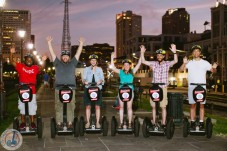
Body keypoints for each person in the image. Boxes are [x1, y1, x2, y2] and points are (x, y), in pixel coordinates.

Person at [46, 36, 85, 129]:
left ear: (69, 57)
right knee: (58, 106)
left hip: (71, 88)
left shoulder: (73, 63)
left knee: (71, 106)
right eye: (63, 56)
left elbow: (78, 54)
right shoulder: (57, 63)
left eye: (67, 56)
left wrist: (81, 44)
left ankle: (70, 122)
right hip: (59, 88)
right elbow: (52, 54)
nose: (65, 57)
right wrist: (49, 43)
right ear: (61, 57)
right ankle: (59, 123)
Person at [179, 45, 217, 130]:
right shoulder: (189, 62)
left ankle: (201, 122)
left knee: (202, 105)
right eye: (194, 51)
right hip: (192, 86)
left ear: (200, 52)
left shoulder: (205, 62)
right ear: (192, 53)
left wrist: (214, 67)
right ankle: (192, 122)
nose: (196, 53)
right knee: (193, 105)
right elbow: (181, 69)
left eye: (197, 51)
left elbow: (212, 70)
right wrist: (184, 63)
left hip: (202, 86)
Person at [140, 44, 178, 130]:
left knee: (163, 106)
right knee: (153, 106)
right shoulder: (153, 64)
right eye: (158, 55)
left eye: (161, 55)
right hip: (154, 87)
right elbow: (143, 61)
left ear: (164, 56)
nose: (159, 56)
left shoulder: (167, 63)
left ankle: (164, 123)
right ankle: (154, 122)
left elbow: (175, 61)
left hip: (163, 87)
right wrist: (142, 53)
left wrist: (174, 52)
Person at [9, 46, 47, 130]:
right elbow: (12, 61)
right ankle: (22, 122)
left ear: (32, 61)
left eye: (30, 60)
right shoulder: (21, 67)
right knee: (22, 107)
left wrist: (43, 60)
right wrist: (11, 53)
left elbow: (42, 67)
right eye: (27, 59)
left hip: (32, 91)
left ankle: (32, 122)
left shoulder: (35, 68)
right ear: (25, 60)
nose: (29, 61)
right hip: (22, 90)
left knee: (32, 106)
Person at [110, 52, 141, 128]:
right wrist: (112, 57)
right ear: (123, 66)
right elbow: (113, 68)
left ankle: (130, 123)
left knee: (129, 107)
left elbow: (139, 64)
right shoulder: (121, 72)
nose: (126, 66)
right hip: (122, 90)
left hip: (130, 91)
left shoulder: (132, 72)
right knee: (121, 107)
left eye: (128, 65)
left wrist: (142, 53)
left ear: (130, 65)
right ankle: (121, 123)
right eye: (125, 65)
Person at [83, 54, 104, 128]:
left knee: (97, 106)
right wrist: (85, 81)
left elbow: (102, 79)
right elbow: (84, 78)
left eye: (94, 60)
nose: (93, 61)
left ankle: (98, 122)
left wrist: (100, 81)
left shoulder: (99, 69)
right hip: (88, 88)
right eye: (92, 60)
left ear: (96, 61)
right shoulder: (86, 69)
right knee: (88, 106)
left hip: (97, 88)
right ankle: (88, 122)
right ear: (90, 61)